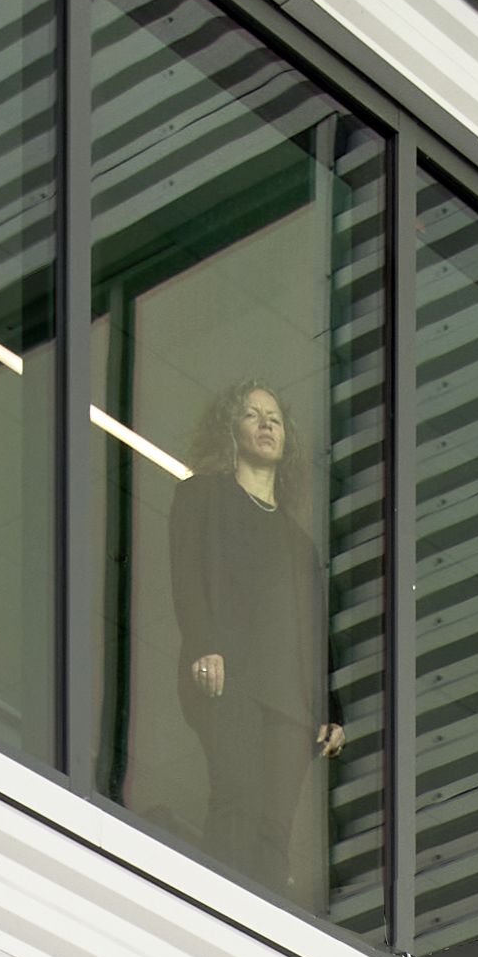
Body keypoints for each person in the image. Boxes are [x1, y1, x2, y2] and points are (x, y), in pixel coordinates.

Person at [169, 382, 345, 901]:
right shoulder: (203, 494)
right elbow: (187, 575)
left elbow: (316, 628)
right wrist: (203, 643)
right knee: (237, 798)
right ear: (232, 429)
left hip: (290, 698)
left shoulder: (299, 542)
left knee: (275, 826)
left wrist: (332, 707)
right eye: (252, 415)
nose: (266, 424)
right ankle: (219, 912)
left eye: (275, 417)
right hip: (230, 678)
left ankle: (265, 925)